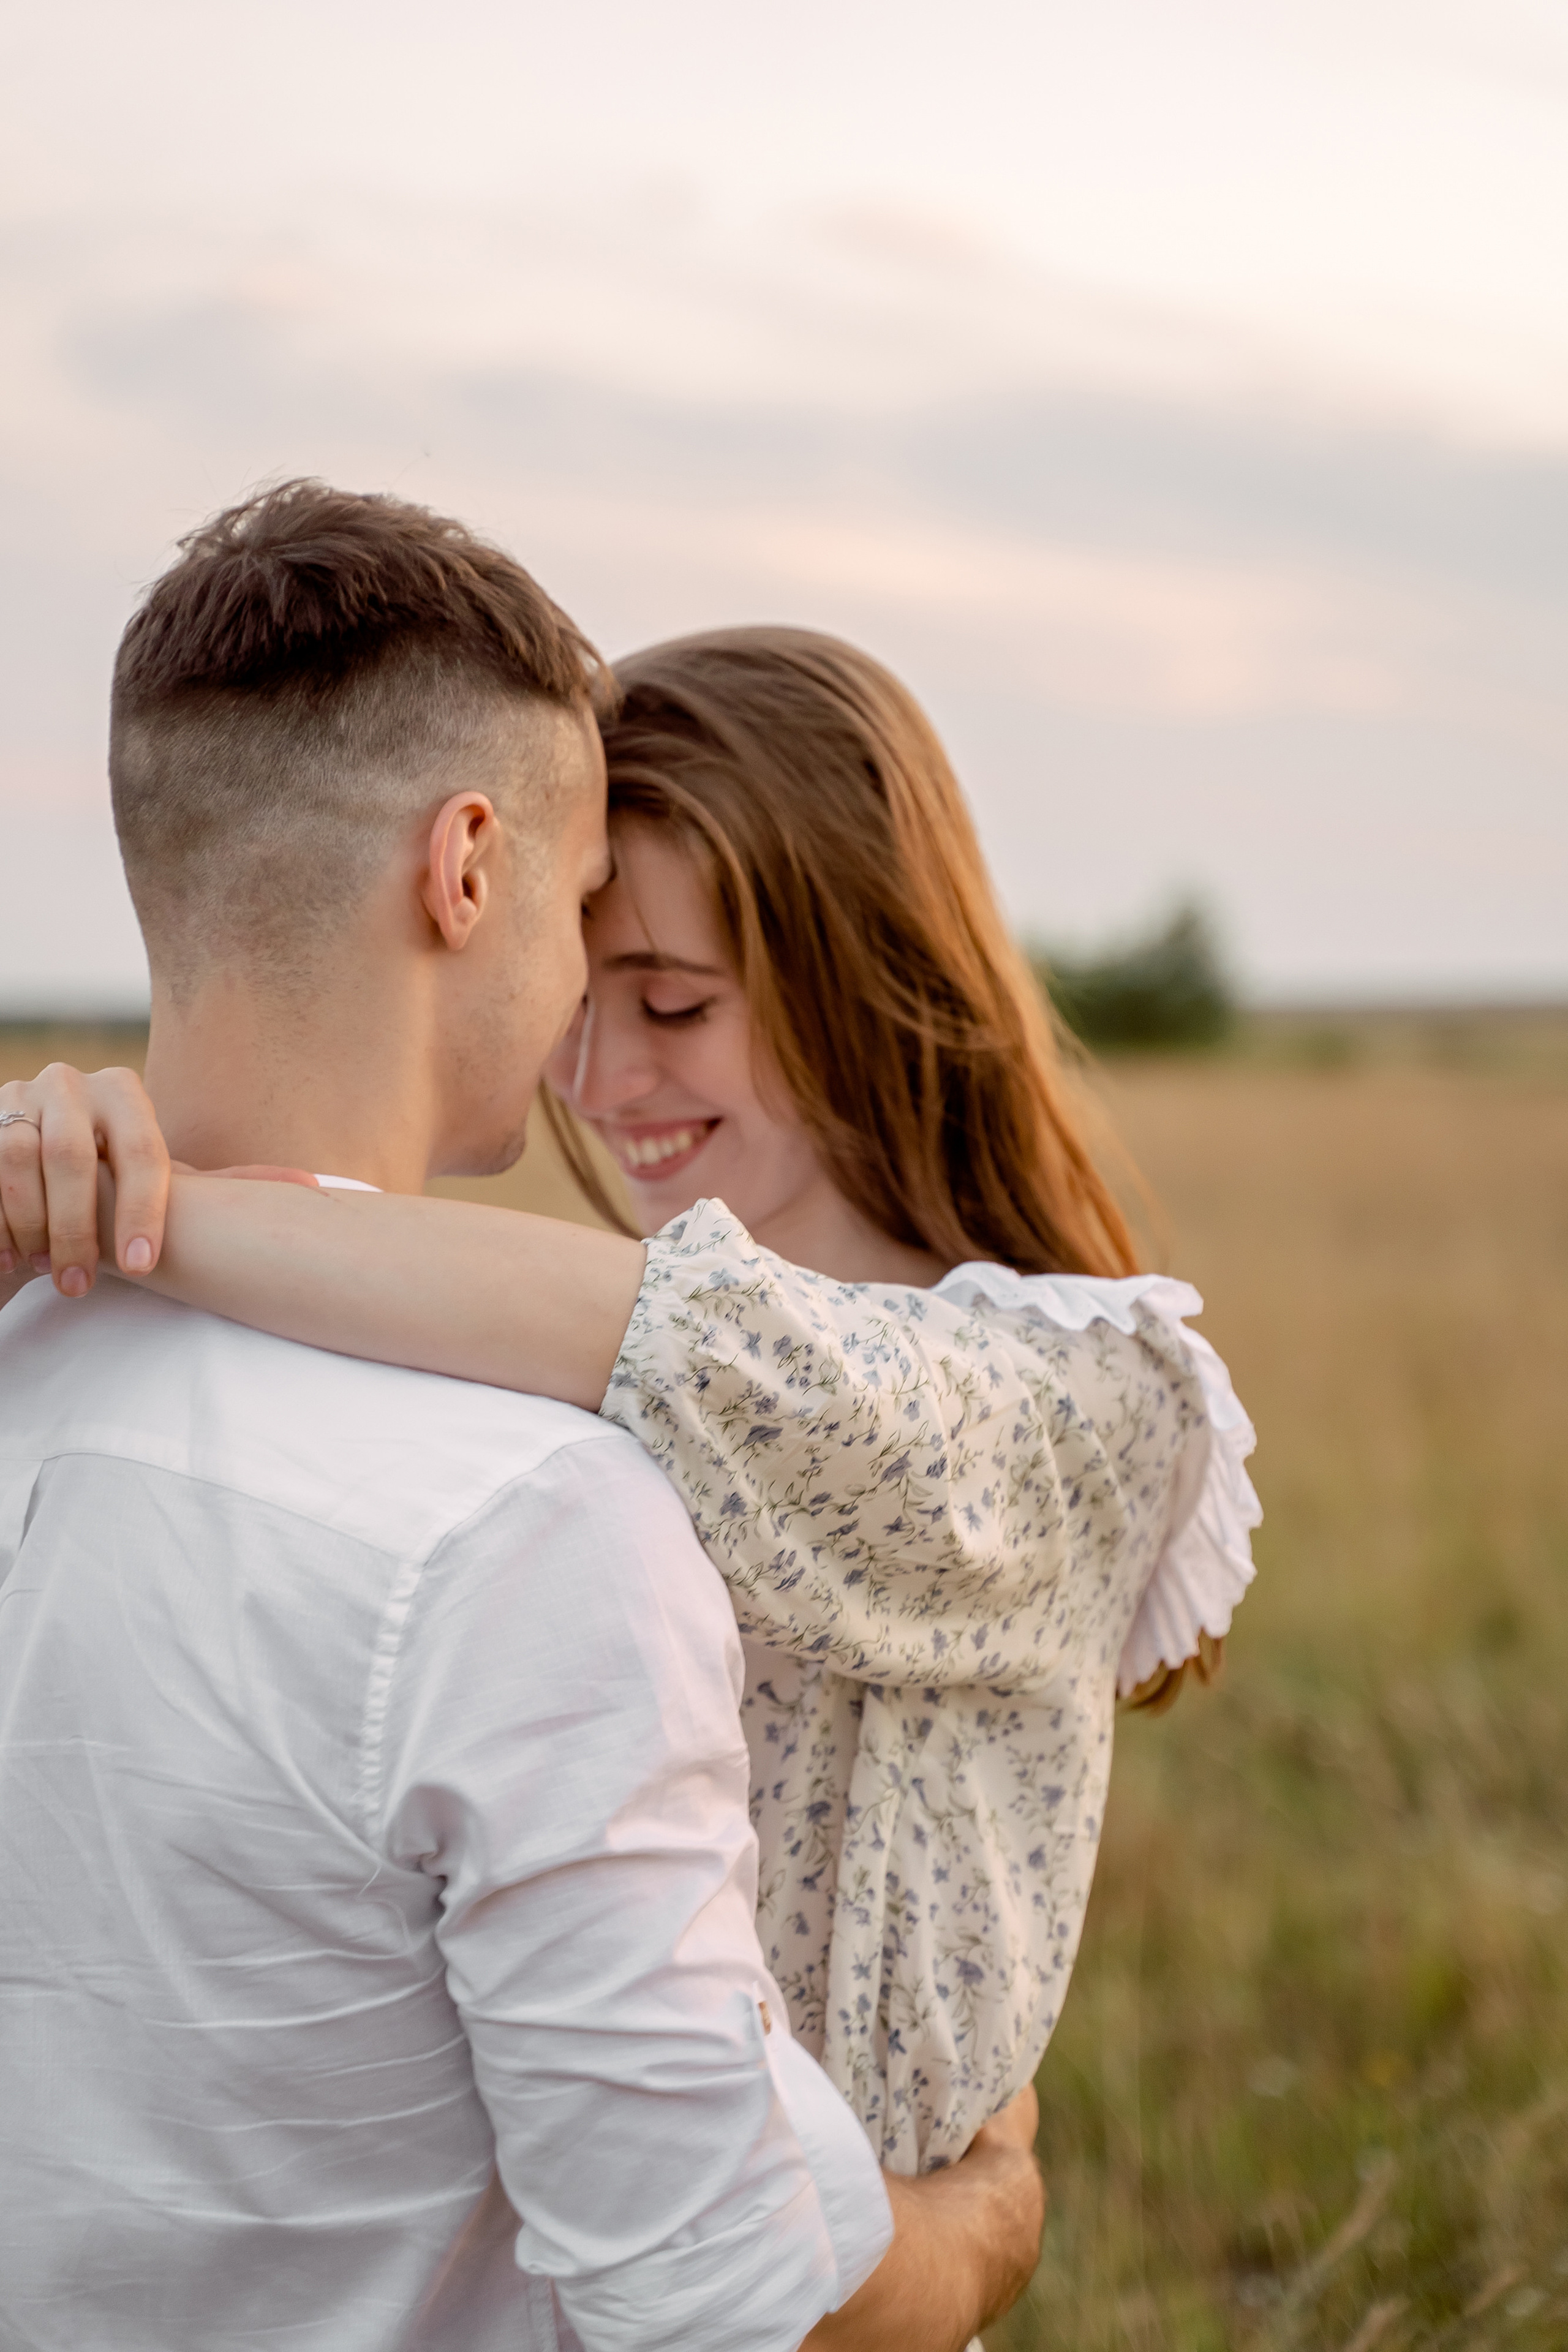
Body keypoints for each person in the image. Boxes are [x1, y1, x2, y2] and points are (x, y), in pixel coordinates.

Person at [0, 486, 1048, 2352]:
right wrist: (977, 2232)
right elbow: (724, 2298)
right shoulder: (529, 1518)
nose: (580, 1006)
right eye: (580, 915)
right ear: (465, 868)